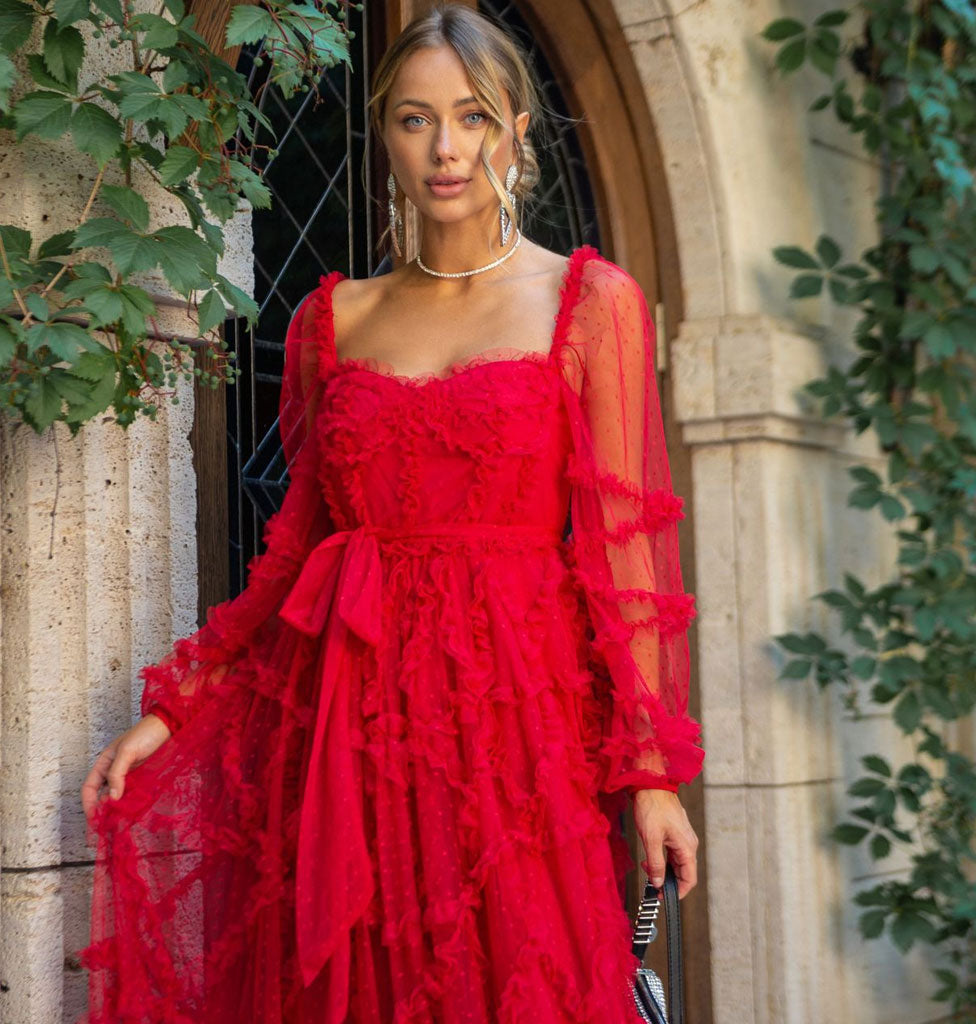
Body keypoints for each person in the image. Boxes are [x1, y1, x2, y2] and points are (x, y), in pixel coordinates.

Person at [77, 4, 704, 1022]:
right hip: (346, 735)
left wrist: (650, 777)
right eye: (415, 120)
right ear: (388, 136)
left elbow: (625, 565)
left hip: (517, 732)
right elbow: (292, 560)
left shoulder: (591, 302)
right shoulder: (336, 318)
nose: (445, 147)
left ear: (516, 131)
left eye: (471, 117)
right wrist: (174, 708)